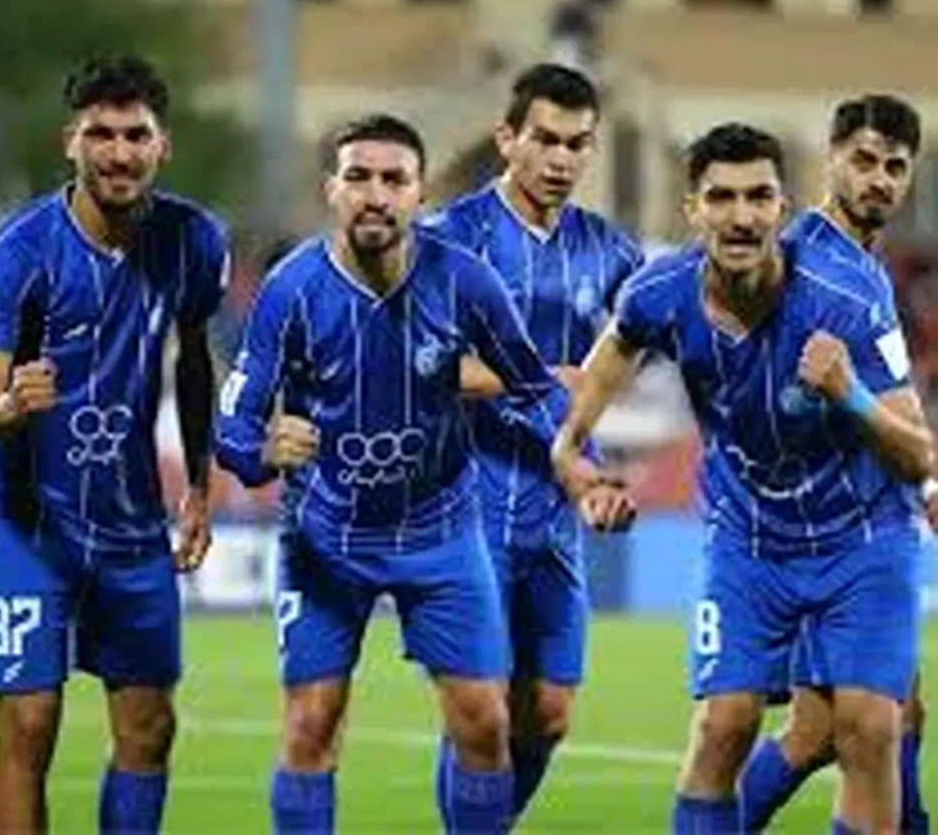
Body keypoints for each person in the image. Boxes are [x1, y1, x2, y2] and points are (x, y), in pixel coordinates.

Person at [213, 113, 633, 834]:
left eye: (393, 179)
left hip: (441, 532)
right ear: (331, 188)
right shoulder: (292, 289)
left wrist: (582, 469)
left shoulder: (464, 280)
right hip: (327, 535)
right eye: (358, 177)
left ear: (420, 193)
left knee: (484, 721)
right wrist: (260, 450)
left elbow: (532, 388)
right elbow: (234, 423)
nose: (375, 195)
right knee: (312, 722)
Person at [550, 123, 931, 834]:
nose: (741, 216)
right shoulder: (659, 292)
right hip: (748, 538)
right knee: (724, 723)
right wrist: (577, 459)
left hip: (858, 538)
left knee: (869, 728)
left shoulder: (845, 297)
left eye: (759, 197)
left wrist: (849, 392)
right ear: (692, 209)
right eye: (721, 197)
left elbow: (918, 456)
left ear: (783, 209)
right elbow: (604, 367)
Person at [0, 55, 228, 833]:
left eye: (136, 134)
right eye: (100, 134)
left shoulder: (193, 239)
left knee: (149, 726)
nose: (119, 152)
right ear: (69, 143)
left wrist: (200, 484)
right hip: (29, 520)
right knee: (28, 723)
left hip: (131, 518)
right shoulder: (18, 250)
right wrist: (11, 403)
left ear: (163, 145)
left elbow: (195, 359)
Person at [425, 62, 642, 828]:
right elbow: (412, 360)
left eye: (577, 144)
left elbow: (653, 336)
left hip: (551, 512)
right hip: (463, 505)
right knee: (480, 711)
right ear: (506, 138)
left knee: (546, 713)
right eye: (545, 139)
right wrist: (534, 378)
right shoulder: (449, 238)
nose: (560, 159)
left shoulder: (609, 251)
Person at [740, 93, 931, 834]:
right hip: (828, 534)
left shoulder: (861, 268)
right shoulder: (811, 266)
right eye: (864, 160)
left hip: (860, 524)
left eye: (895, 167)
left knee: (879, 716)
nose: (878, 179)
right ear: (832, 160)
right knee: (847, 730)